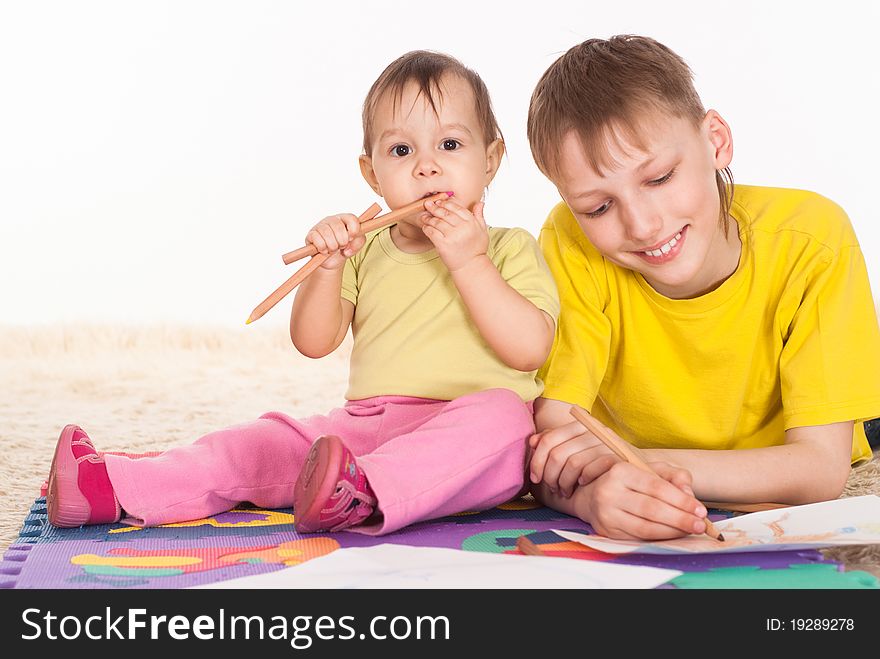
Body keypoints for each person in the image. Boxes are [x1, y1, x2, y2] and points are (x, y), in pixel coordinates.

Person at [46, 50, 559, 535]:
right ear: (372, 174)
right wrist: (327, 267)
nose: (426, 166)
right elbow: (314, 342)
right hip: (365, 427)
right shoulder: (366, 247)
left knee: (508, 422)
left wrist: (469, 260)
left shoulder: (510, 247)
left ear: (490, 160)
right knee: (264, 442)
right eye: (401, 150)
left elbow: (529, 349)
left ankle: (366, 492)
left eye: (450, 145)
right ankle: (108, 486)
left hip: (464, 435)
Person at [525, 35, 880, 541]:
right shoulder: (568, 238)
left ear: (716, 140)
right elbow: (553, 445)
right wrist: (589, 497)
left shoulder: (812, 238)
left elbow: (821, 471)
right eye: (598, 208)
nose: (643, 225)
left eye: (660, 177)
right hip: (630, 464)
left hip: (794, 455)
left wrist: (638, 463)